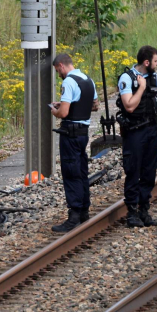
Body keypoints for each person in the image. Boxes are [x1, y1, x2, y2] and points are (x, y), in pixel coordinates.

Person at [116, 45, 157, 227]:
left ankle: (144, 210)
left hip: (151, 130)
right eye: (156, 61)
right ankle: (132, 212)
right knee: (133, 170)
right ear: (146, 62)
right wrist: (141, 88)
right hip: (134, 132)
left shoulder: (155, 77)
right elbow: (129, 106)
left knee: (149, 172)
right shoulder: (127, 79)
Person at [50, 53, 99, 232]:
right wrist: (66, 103)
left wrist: (55, 110)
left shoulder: (68, 82)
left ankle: (74, 214)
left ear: (61, 66)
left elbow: (63, 113)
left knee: (71, 172)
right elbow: (95, 105)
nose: (58, 74)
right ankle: (84, 210)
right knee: (81, 171)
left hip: (70, 134)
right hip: (83, 133)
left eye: (57, 71)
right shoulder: (88, 80)